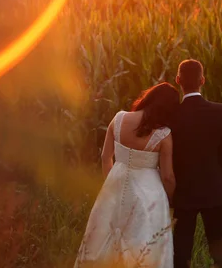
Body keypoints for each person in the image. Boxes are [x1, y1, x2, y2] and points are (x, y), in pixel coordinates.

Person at [74, 82, 179, 268]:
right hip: (148, 194)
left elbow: (105, 156)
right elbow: (168, 176)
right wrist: (171, 200)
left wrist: (111, 184)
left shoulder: (119, 118)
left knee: (103, 238)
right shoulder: (164, 135)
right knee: (143, 244)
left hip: (115, 185)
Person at [170, 59, 222, 268]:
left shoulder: (172, 116)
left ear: (178, 80)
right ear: (202, 80)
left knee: (181, 252)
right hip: (214, 189)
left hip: (184, 192)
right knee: (219, 251)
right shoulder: (219, 111)